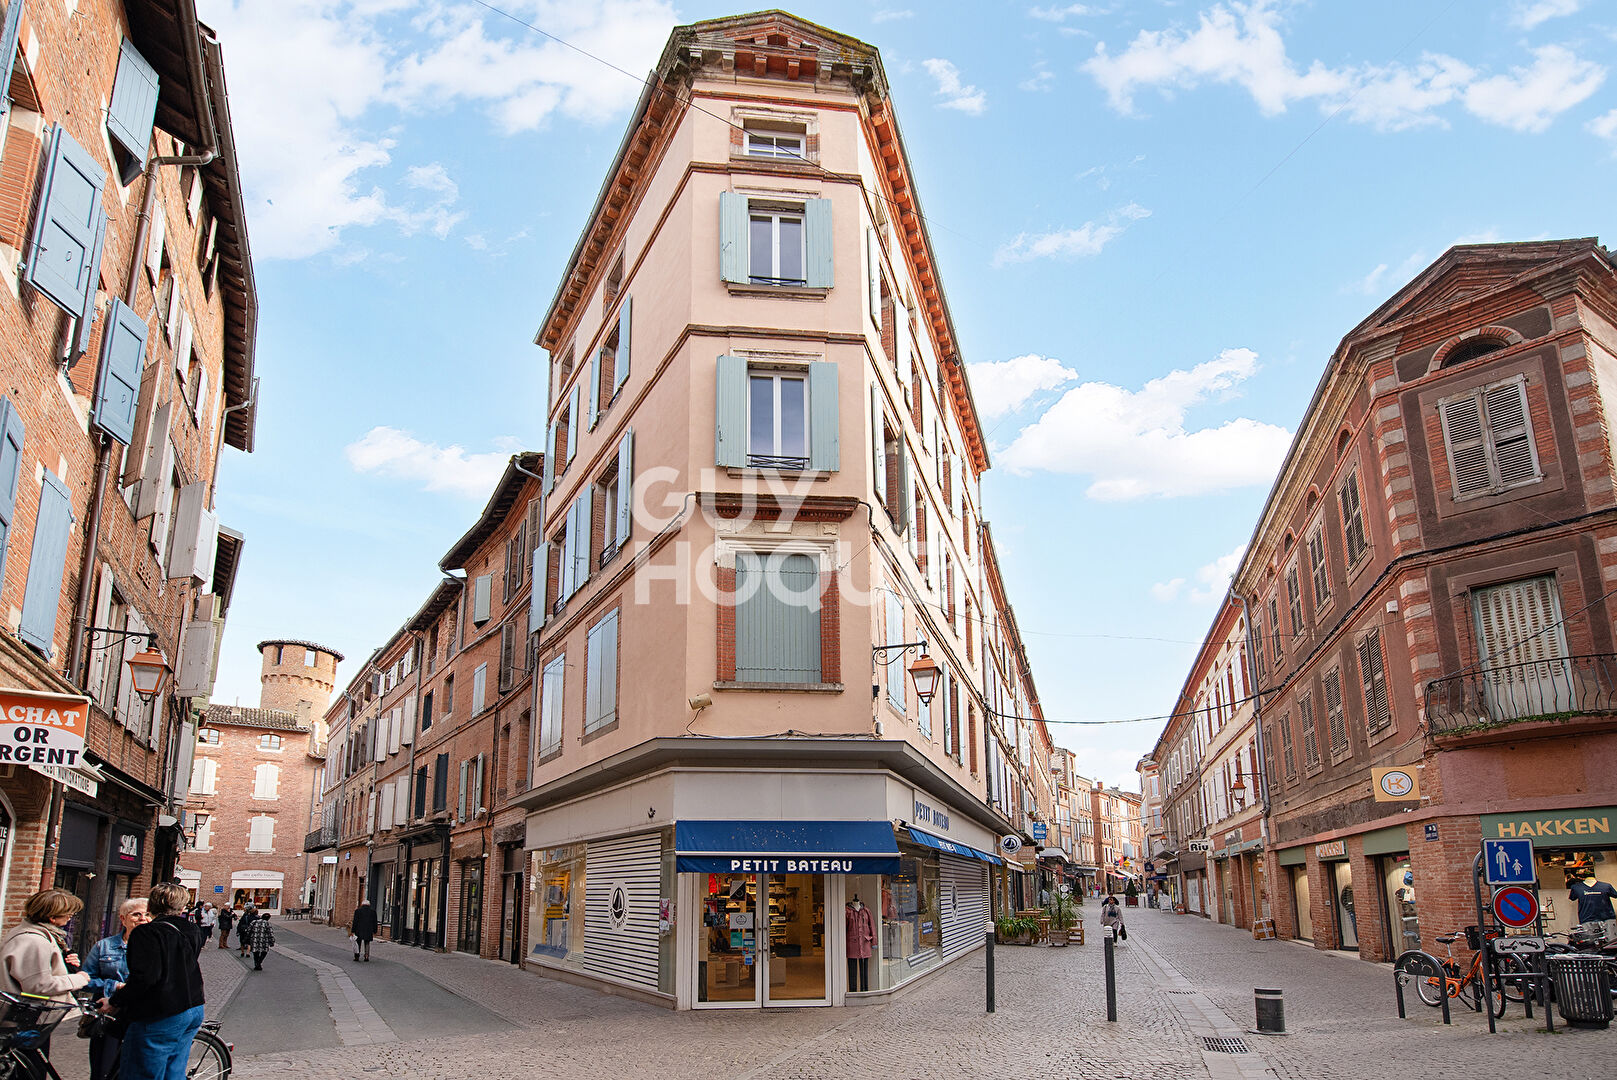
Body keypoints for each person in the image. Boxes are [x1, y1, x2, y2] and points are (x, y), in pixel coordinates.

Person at [111, 883, 204, 1080]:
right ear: (181, 906)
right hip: (193, 1006)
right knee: (173, 1071)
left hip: (162, 1012)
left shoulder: (146, 933)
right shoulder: (192, 929)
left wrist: (114, 1001)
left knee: (142, 1073)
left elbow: (144, 979)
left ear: (151, 905)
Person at [84, 898, 151, 1080]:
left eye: (147, 914)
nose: (142, 919)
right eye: (136, 914)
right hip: (109, 1014)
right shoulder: (104, 946)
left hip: (140, 1016)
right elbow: (85, 979)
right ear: (123, 919)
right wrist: (114, 986)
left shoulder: (155, 948)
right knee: (103, 1069)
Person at [1570, 871, 1617, 942]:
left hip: (1607, 919)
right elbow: (1572, 898)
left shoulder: (1606, 886)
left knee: (1611, 943)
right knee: (1591, 944)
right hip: (1587, 919)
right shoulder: (1576, 887)